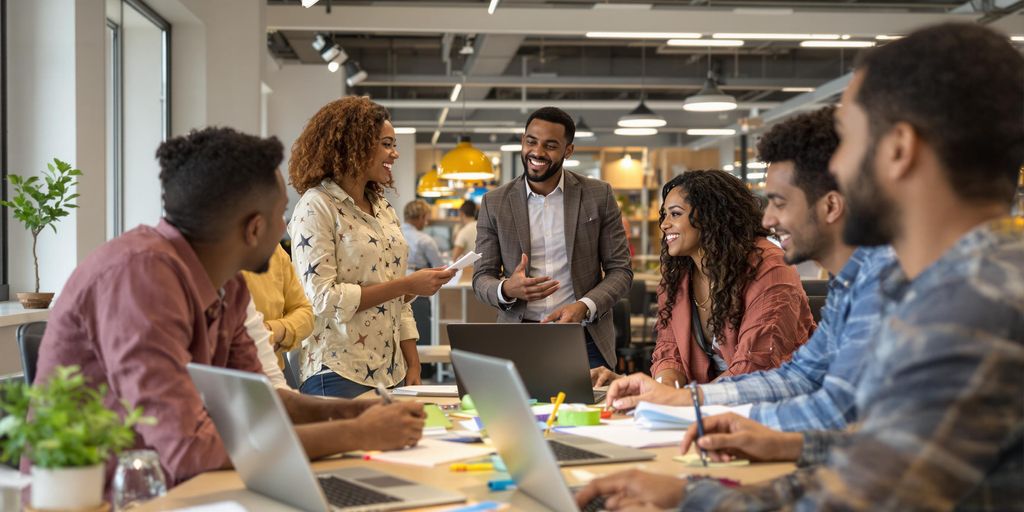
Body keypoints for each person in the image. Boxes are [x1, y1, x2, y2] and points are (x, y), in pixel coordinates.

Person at [576, 22, 1024, 511]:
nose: (836, 166)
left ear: (898, 149)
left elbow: (853, 500)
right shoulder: (941, 280)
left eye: (847, 138)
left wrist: (695, 500)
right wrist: (691, 485)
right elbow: (871, 453)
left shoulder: (971, 302)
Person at [29, 127, 427, 489]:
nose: (286, 228)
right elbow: (186, 448)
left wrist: (358, 414)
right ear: (254, 229)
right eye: (279, 216)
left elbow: (261, 402)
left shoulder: (228, 283)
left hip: (181, 486)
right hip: (106, 496)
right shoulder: (140, 278)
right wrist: (359, 434)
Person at [604, 107, 896, 432]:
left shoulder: (886, 285)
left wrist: (697, 410)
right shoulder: (850, 286)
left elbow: (833, 412)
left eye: (780, 203)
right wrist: (680, 399)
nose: (768, 220)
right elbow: (800, 377)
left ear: (831, 205)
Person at [289, 97, 455, 399]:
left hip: (391, 370)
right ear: (355, 145)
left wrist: (413, 361)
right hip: (337, 369)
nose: (395, 153)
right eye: (386, 144)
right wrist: (406, 284)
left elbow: (398, 299)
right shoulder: (316, 206)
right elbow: (324, 299)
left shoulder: (383, 208)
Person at [612, 170, 815, 387]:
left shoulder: (770, 267)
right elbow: (670, 352)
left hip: (776, 402)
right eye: (664, 215)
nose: (664, 225)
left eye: (675, 214)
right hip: (704, 402)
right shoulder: (678, 275)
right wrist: (661, 389)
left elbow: (757, 365)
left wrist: (683, 399)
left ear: (711, 216)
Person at [473, 106, 633, 371]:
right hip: (517, 337)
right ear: (523, 141)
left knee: (590, 412)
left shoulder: (598, 195)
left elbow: (621, 271)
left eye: (550, 145)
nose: (537, 152)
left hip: (585, 337)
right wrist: (506, 289)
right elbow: (481, 278)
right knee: (515, 413)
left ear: (567, 151)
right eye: (531, 141)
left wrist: (584, 306)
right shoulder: (495, 202)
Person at [241, 244, 314, 368]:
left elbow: (305, 312)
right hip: (223, 373)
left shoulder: (274, 248)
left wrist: (275, 330)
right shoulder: (206, 245)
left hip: (273, 368)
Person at [401, 199, 445, 270]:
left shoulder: (393, 235)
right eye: (426, 219)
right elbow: (441, 267)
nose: (426, 223)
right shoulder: (425, 240)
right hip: (420, 279)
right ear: (421, 217)